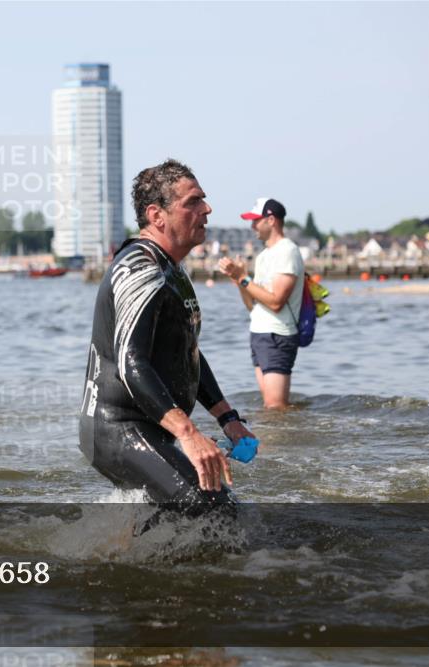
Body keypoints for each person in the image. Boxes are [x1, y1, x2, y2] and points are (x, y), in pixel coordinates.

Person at [78, 159, 256, 515]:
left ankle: (118, 554)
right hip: (119, 428)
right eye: (192, 202)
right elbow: (131, 363)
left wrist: (227, 418)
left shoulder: (169, 267)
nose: (206, 209)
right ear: (157, 215)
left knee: (191, 514)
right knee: (216, 511)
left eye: (203, 199)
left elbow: (186, 353)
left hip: (150, 426)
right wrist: (189, 434)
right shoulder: (140, 268)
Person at [218, 198, 304, 409]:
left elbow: (276, 302)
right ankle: (279, 439)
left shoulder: (287, 251)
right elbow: (252, 305)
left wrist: (243, 279)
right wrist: (238, 279)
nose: (252, 226)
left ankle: (287, 440)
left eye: (256, 220)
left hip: (278, 334)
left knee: (275, 406)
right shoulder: (264, 255)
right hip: (259, 333)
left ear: (271, 220)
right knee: (271, 406)